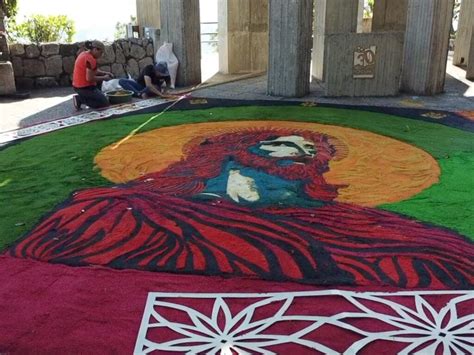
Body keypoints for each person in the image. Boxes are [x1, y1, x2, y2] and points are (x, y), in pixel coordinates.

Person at [9, 128, 474, 289]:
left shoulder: (350, 221)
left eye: (308, 151)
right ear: (234, 151)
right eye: (280, 143)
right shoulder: (134, 204)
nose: (297, 153)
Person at [72, 40, 114, 110]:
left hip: (77, 85)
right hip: (83, 87)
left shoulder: (84, 54)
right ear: (95, 49)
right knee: (104, 104)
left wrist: (105, 73)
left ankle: (96, 96)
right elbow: (89, 78)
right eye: (100, 53)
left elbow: (93, 70)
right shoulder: (90, 59)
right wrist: (104, 78)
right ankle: (80, 99)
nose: (101, 55)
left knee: (100, 85)